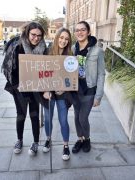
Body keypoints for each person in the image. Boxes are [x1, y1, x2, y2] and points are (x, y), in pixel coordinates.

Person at [2, 22, 47, 156]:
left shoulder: (44, 48)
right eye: (33, 34)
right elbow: (8, 68)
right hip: (19, 87)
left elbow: (47, 69)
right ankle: (19, 140)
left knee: (34, 115)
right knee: (21, 115)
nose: (36, 38)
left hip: (36, 88)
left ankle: (35, 143)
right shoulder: (17, 46)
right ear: (27, 33)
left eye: (39, 35)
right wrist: (17, 87)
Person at [71, 21, 105, 153]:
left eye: (83, 29)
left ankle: (87, 139)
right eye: (77, 30)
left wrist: (99, 96)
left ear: (88, 32)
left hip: (89, 90)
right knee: (76, 117)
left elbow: (101, 74)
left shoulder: (97, 51)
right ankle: (80, 139)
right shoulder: (73, 49)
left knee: (82, 118)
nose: (80, 32)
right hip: (75, 89)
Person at [42, 28, 73, 161]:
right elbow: (40, 73)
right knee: (48, 118)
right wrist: (44, 90)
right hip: (48, 92)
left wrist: (65, 88)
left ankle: (66, 145)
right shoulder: (47, 53)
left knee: (63, 120)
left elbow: (72, 77)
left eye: (66, 39)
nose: (63, 41)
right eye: (61, 37)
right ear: (57, 38)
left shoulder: (70, 55)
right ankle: (48, 139)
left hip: (62, 94)